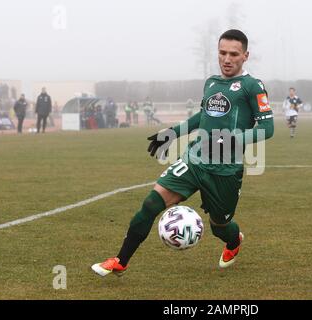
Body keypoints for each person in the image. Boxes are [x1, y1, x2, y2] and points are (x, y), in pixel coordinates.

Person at [91, 29, 274, 277]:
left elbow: (267, 128)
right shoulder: (211, 82)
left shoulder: (252, 86)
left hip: (225, 170)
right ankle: (120, 261)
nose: (227, 59)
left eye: (233, 54)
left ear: (245, 56)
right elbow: (203, 116)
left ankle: (234, 241)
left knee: (220, 226)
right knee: (151, 204)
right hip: (195, 159)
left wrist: (230, 139)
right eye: (222, 53)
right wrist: (173, 133)